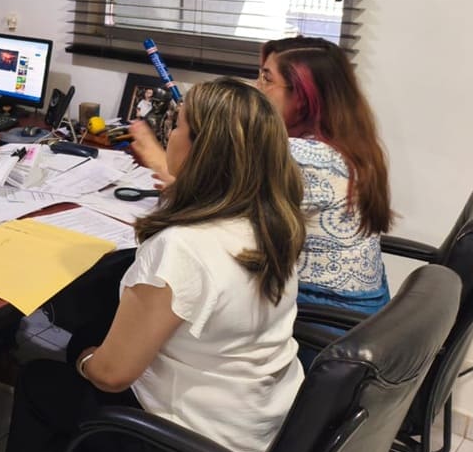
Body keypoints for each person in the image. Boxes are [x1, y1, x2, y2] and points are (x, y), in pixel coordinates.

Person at [4, 78, 306, 452]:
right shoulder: (275, 221)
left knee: (41, 376)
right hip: (261, 427)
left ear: (203, 150)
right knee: (94, 328)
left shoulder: (182, 247)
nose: (169, 136)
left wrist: (85, 361)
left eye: (177, 126)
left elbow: (112, 376)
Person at [131, 37, 393, 315]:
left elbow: (218, 207)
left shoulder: (303, 156)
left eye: (267, 79)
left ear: (303, 97)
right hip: (360, 306)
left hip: (324, 313)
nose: (257, 87)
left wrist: (159, 158)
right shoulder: (347, 145)